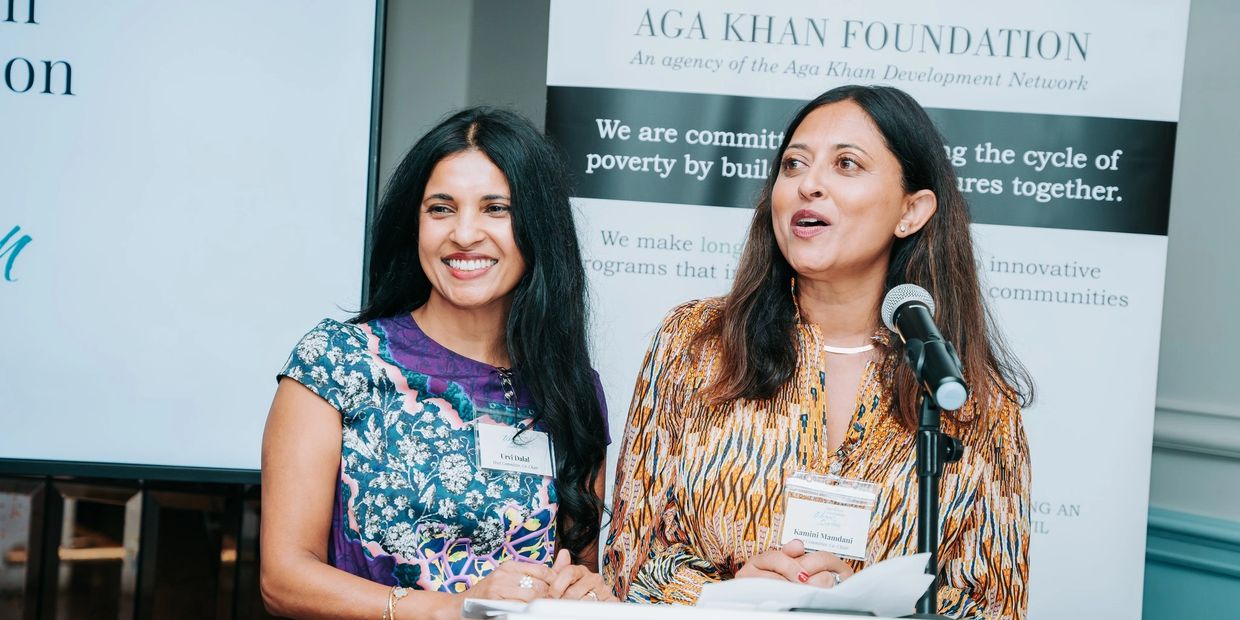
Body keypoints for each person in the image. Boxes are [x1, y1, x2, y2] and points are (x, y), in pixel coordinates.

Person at [603, 85, 1034, 619]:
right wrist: (731, 594)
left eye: (846, 164)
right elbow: (630, 562)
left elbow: (993, 606)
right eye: (793, 165)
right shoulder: (696, 344)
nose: (808, 184)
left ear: (912, 211)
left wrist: (860, 601)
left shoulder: (968, 397)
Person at [261, 107, 614, 620]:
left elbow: (577, 567)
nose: (464, 234)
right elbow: (284, 577)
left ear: (538, 226)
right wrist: (451, 608)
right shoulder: (337, 362)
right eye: (441, 209)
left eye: (496, 208)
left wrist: (584, 593)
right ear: (416, 224)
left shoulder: (570, 390)